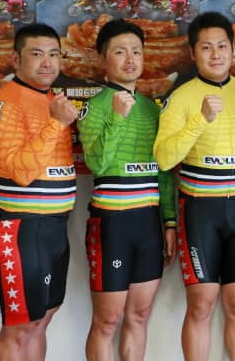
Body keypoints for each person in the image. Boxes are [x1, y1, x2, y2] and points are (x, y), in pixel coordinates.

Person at [153, 11, 235, 361]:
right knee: (201, 305)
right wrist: (200, 119)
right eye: (206, 47)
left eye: (222, 46)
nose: (216, 54)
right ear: (193, 53)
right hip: (199, 210)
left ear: (233, 50)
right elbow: (164, 158)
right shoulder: (181, 97)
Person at [77, 19, 176, 360]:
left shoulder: (151, 108)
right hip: (111, 224)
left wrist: (169, 222)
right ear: (103, 58)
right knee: (107, 321)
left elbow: (164, 170)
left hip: (148, 223)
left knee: (139, 316)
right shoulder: (94, 106)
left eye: (136, 51)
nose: (130, 59)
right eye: (120, 52)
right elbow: (97, 164)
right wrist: (118, 117)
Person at [0, 24, 79, 361]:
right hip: (21, 227)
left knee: (41, 319)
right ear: (16, 59)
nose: (47, 62)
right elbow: (18, 170)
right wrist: (57, 124)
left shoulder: (52, 100)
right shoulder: (6, 100)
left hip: (56, 226)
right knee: (19, 328)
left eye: (54, 54)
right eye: (37, 54)